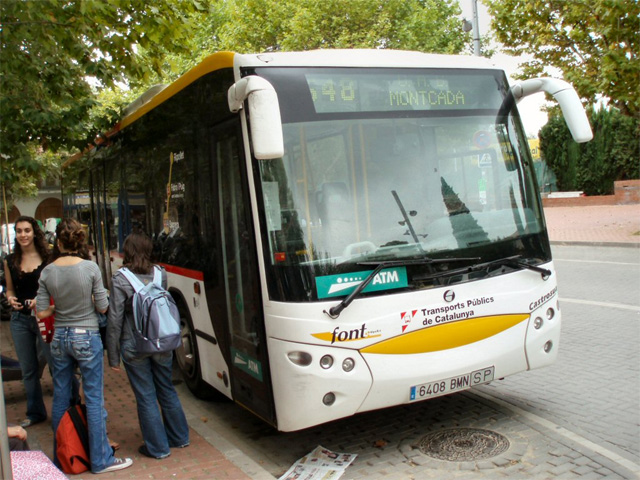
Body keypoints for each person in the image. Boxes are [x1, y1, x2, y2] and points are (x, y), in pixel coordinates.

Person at [36, 218, 132, 474]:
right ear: (80, 242)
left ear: (57, 242)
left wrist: (61, 307)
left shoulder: (47, 271)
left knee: (60, 397)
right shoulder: (90, 268)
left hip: (60, 339)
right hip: (86, 336)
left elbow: (43, 312)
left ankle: (61, 459)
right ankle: (100, 460)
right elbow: (103, 306)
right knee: (93, 397)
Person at [106, 232, 189, 459]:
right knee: (166, 388)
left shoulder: (120, 278)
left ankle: (158, 448)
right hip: (162, 342)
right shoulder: (160, 274)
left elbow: (114, 319)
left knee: (145, 395)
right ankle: (180, 437)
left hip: (134, 346)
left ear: (128, 251)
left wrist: (113, 357)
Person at [3, 216, 53, 428]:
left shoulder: (48, 258)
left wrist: (39, 300)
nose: (23, 235)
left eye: (27, 230)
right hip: (20, 319)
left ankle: (70, 404)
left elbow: (54, 287)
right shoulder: (10, 260)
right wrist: (10, 298)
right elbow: (10, 288)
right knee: (28, 368)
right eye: (19, 231)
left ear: (35, 232)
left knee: (55, 363)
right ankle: (35, 412)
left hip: (44, 318)